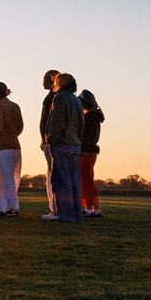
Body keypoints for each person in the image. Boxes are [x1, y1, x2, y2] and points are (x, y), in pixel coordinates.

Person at [43, 73, 84, 222]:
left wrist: (50, 139)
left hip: (62, 143)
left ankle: (65, 215)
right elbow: (81, 123)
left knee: (61, 181)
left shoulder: (60, 98)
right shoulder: (76, 100)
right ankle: (76, 214)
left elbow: (57, 122)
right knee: (74, 181)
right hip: (75, 144)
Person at [0, 82, 24, 216]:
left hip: (2, 145)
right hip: (15, 144)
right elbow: (20, 126)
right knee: (12, 176)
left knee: (3, 178)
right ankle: (10, 206)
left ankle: (7, 207)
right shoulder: (15, 106)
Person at [79, 89, 105, 217]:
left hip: (84, 151)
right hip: (91, 152)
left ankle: (88, 207)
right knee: (89, 180)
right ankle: (95, 208)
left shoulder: (88, 118)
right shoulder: (95, 117)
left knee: (84, 180)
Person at [39, 69, 60, 218]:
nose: (43, 81)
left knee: (53, 175)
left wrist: (45, 138)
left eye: (46, 78)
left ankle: (55, 208)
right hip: (50, 139)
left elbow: (47, 120)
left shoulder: (53, 98)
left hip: (52, 140)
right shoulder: (52, 97)